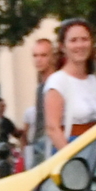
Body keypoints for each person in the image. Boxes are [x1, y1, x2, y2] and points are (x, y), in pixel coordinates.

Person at [40, 19, 96, 146]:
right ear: (63, 46)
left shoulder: (93, 80)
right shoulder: (58, 81)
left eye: (84, 39)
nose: (80, 45)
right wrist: (71, 160)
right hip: (72, 148)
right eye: (73, 40)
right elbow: (52, 128)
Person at [23, 34, 58, 165]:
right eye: (35, 55)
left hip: (51, 146)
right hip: (39, 144)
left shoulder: (56, 83)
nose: (38, 60)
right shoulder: (41, 86)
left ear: (52, 57)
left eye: (43, 55)